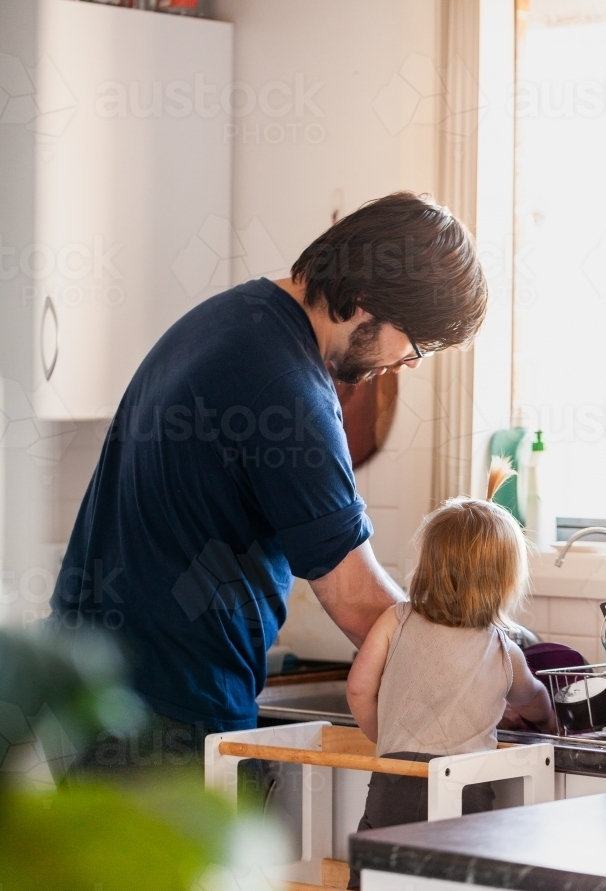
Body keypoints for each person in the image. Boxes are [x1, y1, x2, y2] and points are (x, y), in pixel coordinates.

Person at [50, 191, 488, 772]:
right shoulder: (288, 390)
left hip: (92, 692)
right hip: (168, 716)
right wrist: (482, 661)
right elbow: (356, 600)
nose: (409, 362)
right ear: (365, 300)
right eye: (417, 343)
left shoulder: (234, 317)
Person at [332, 459, 556, 891]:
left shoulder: (398, 619)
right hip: (464, 801)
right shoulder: (504, 651)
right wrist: (546, 721)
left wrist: (384, 737)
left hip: (392, 786)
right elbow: (535, 702)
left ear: (429, 565)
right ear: (505, 582)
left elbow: (360, 688)